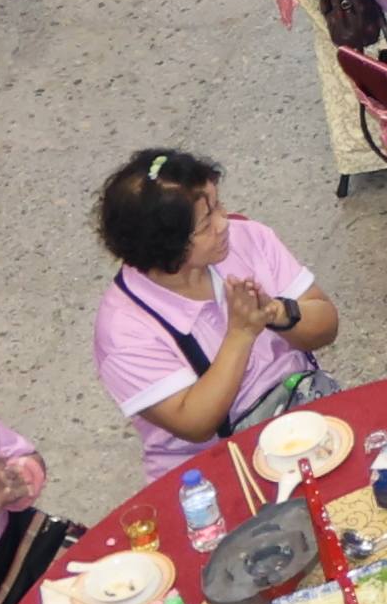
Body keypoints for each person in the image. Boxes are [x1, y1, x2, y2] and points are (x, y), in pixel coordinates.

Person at [88, 143, 335, 470]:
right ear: (165, 246)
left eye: (218, 205)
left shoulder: (247, 239)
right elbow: (196, 423)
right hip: (218, 465)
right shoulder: (123, 330)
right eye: (206, 225)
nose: (224, 223)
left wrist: (278, 312)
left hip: (305, 414)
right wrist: (241, 333)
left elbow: (327, 324)